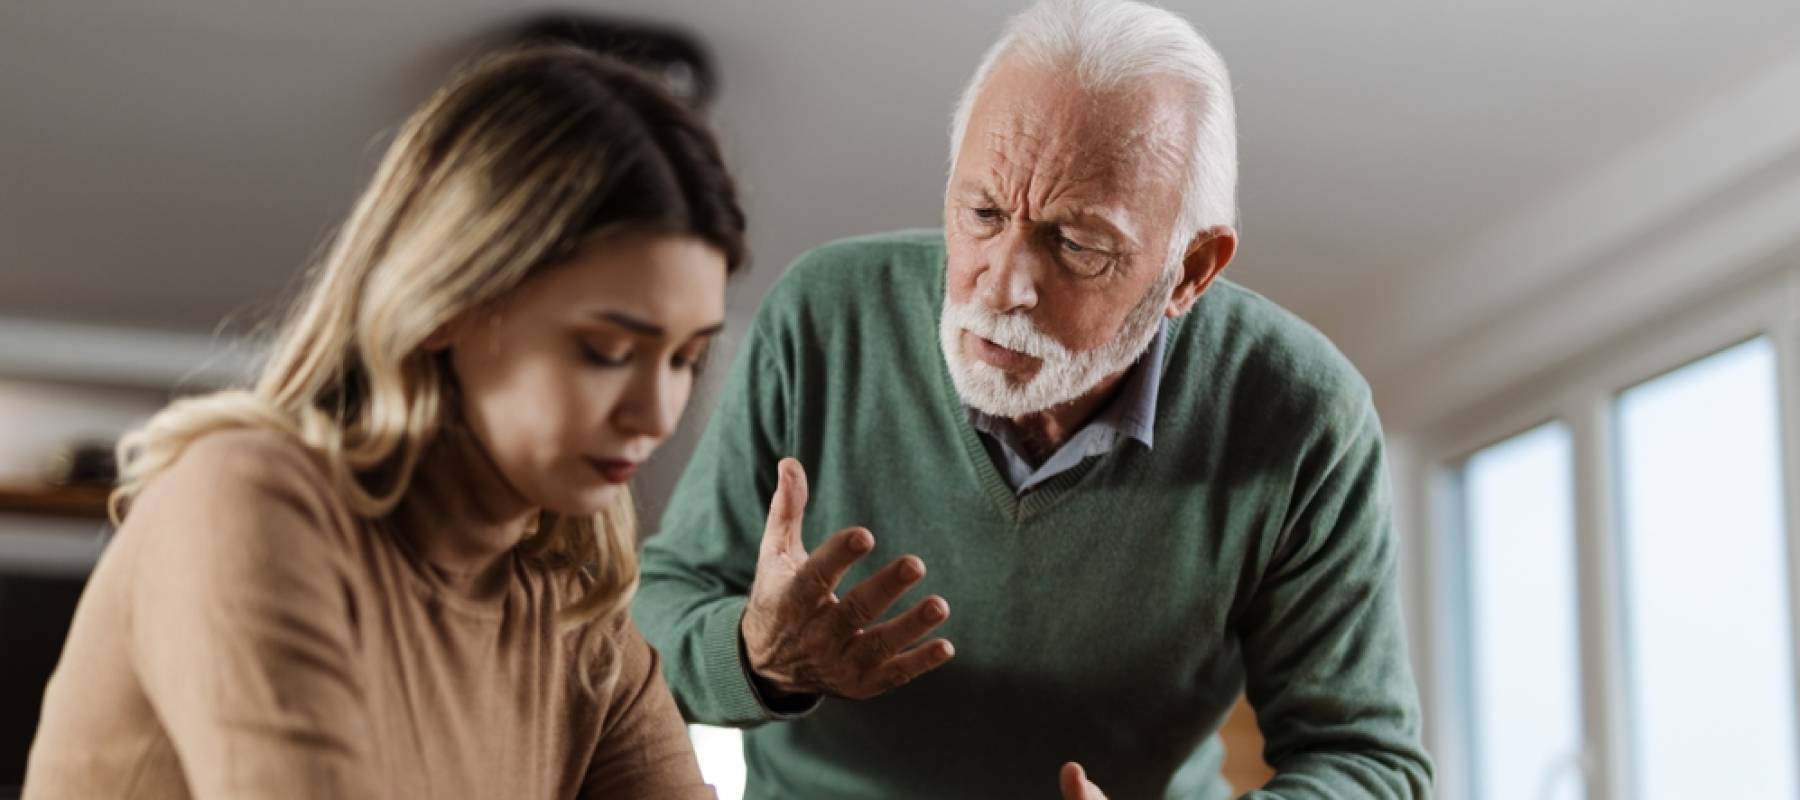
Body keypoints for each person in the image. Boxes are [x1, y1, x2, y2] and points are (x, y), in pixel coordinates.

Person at [632, 0, 1434, 797]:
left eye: (1079, 244)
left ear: (1190, 273)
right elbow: (649, 626)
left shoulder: (1303, 414)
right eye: (981, 213)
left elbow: (1368, 763)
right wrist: (756, 656)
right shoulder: (823, 316)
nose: (1004, 284)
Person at [25, 46, 743, 799]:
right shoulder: (245, 503)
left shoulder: (578, 623)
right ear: (445, 307)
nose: (655, 414)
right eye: (607, 351)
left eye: (685, 359)